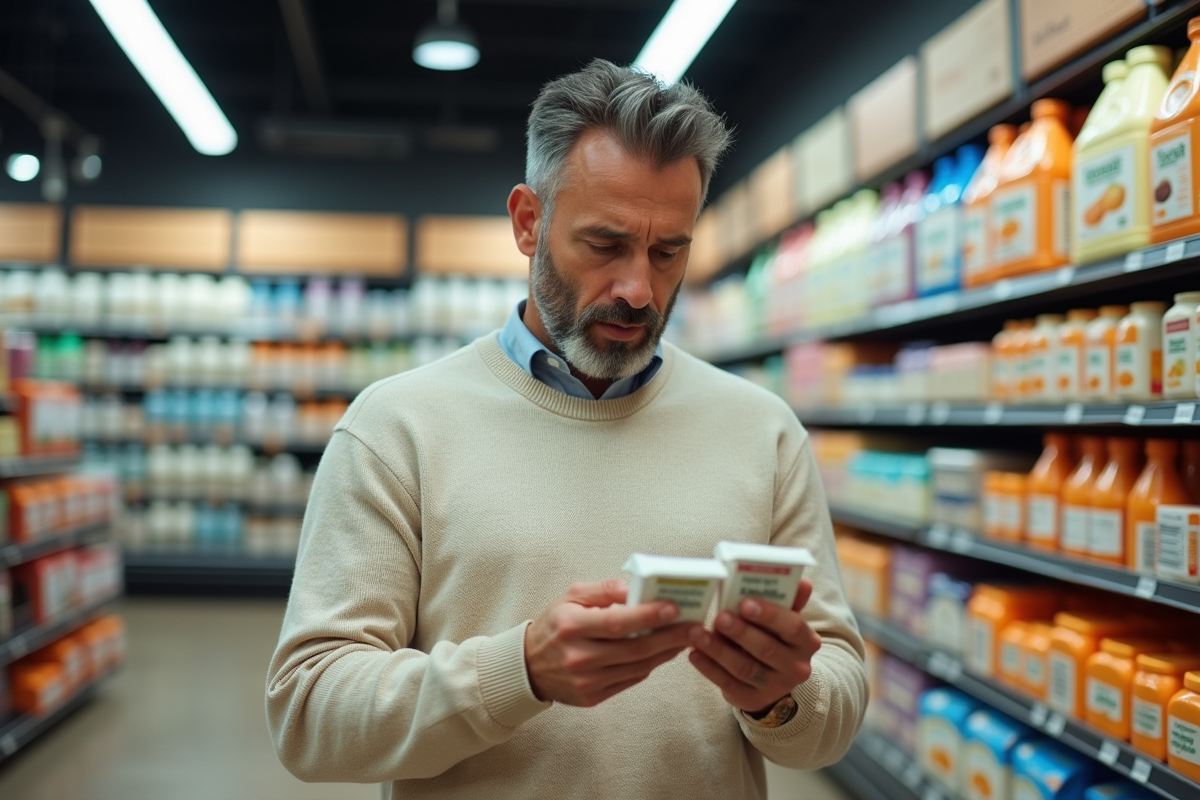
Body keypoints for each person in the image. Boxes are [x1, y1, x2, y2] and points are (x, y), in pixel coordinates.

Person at [267, 59, 866, 799]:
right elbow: (308, 715)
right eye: (605, 244)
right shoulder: (398, 429)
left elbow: (835, 704)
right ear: (528, 222)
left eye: (668, 251)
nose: (639, 289)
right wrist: (518, 672)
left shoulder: (763, 431)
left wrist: (778, 698)